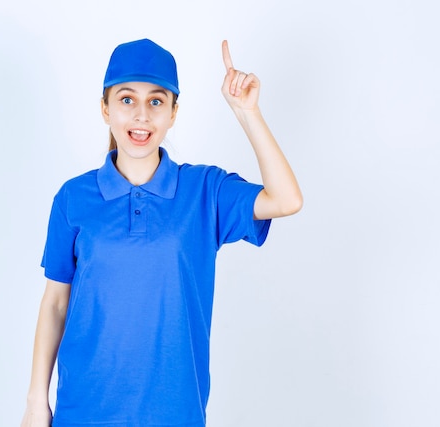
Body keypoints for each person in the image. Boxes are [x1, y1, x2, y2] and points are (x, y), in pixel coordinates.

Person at [20, 38, 302, 427]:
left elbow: (286, 199)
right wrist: (37, 403)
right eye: (126, 99)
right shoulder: (73, 198)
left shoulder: (205, 191)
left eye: (156, 101)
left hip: (174, 414)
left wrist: (247, 112)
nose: (141, 115)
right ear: (105, 108)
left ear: (173, 113)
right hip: (84, 412)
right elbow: (55, 303)